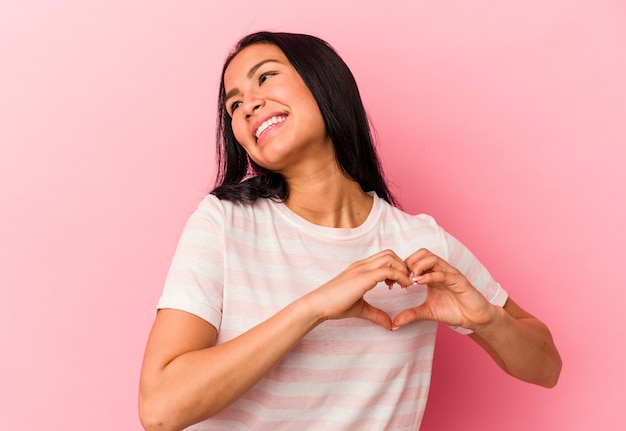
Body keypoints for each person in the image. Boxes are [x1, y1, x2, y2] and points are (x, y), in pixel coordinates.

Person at [138, 31, 561, 431]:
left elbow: (546, 367)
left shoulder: (422, 243)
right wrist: (314, 307)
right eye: (233, 106)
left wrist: (487, 320)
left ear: (324, 82)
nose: (247, 106)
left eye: (265, 76)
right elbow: (160, 409)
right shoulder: (224, 223)